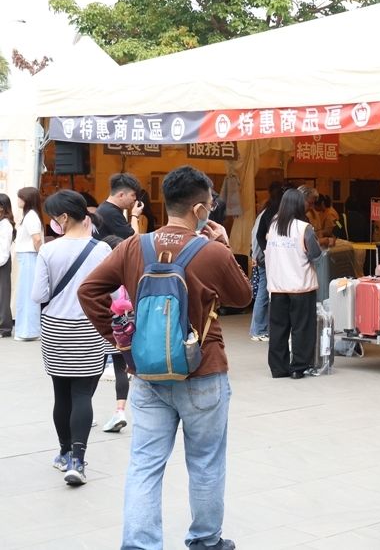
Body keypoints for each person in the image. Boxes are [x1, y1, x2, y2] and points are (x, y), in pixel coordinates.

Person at [78, 165, 252, 550]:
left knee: (145, 464)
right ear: (199, 209)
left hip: (147, 376)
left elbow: (89, 291)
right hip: (203, 371)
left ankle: (140, 545)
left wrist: (124, 343)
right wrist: (223, 245)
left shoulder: (132, 246)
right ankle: (206, 541)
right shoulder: (211, 251)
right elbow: (243, 297)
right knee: (206, 463)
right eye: (209, 205)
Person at [32, 190, 113, 485]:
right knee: (82, 395)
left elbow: (38, 295)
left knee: (61, 394)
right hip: (91, 328)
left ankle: (64, 453)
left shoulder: (49, 251)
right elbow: (116, 294)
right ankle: (78, 461)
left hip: (55, 329)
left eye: (54, 217)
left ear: (64, 218)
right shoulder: (102, 250)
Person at [266, 189, 323, 379]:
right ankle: (298, 367)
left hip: (277, 286)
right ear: (300, 205)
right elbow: (315, 254)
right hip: (301, 285)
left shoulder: (273, 227)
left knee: (278, 328)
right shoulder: (303, 228)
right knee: (301, 328)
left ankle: (278, 368)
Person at [98, 234, 131, 433]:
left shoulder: (102, 275)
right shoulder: (127, 272)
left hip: (104, 327)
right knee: (121, 369)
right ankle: (120, 411)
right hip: (123, 327)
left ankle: (86, 410)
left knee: (94, 371)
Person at [251, 181, 286, 342]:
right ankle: (258, 329)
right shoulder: (278, 214)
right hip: (271, 260)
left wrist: (264, 250)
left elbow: (257, 235)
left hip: (265, 257)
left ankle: (259, 328)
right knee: (265, 294)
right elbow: (259, 235)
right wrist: (267, 251)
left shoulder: (267, 211)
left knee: (264, 294)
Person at [14, 186, 44, 340]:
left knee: (27, 295)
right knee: (25, 294)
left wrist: (42, 256)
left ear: (26, 200)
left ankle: (28, 332)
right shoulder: (30, 215)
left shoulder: (31, 216)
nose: (18, 200)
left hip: (30, 257)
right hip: (27, 257)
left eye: (20, 197)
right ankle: (26, 330)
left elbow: (37, 239)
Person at [96, 172, 145, 240]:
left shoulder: (106, 208)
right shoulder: (111, 213)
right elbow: (133, 239)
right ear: (121, 195)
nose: (135, 198)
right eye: (133, 195)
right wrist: (135, 215)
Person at [0, 194, 13, 337]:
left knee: (2, 295)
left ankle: (4, 328)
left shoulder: (6, 224)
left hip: (2, 261)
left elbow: (4, 248)